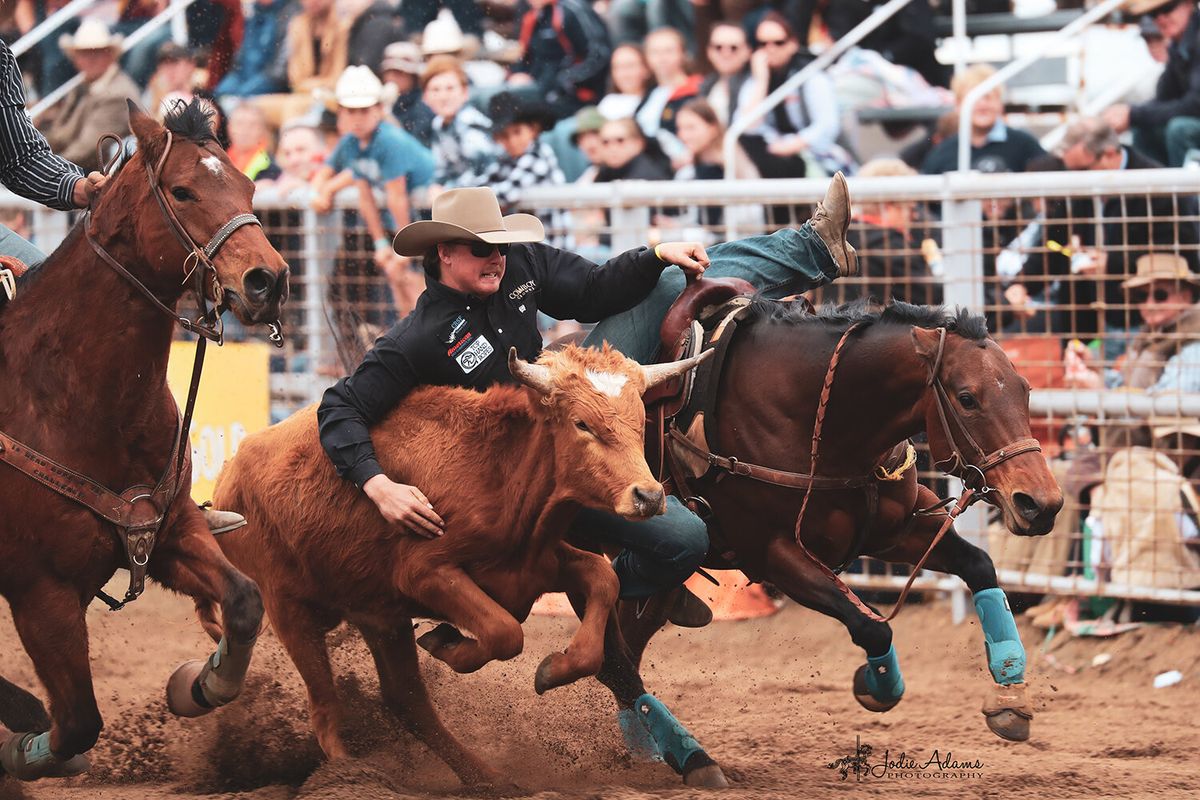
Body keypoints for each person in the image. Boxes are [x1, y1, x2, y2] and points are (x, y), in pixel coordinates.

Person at [319, 178, 857, 624]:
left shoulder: (521, 266)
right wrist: (378, 484)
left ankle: (812, 247)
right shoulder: (417, 339)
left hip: (578, 417)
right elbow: (341, 408)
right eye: (485, 249)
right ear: (445, 254)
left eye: (502, 246)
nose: (499, 258)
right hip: (529, 485)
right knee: (685, 540)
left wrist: (651, 255)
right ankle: (618, 586)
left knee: (671, 277)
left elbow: (597, 289)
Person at [1055, 116, 1200, 341]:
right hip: (1092, 319)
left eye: (1082, 170)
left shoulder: (1159, 187)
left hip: (1148, 324)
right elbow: (1053, 237)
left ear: (1110, 154)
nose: (1075, 179)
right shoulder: (1080, 187)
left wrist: (1111, 261)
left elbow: (1180, 251)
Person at [313, 65, 434, 325]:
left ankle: (424, 332)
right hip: (404, 218)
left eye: (364, 110)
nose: (357, 118)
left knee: (410, 273)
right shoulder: (351, 143)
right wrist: (381, 243)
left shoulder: (390, 141)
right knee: (396, 272)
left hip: (426, 214)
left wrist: (404, 246)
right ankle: (414, 333)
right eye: (351, 111)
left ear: (379, 109)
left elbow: (397, 195)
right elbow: (363, 191)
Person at [1103, 0, 1200, 167]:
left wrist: (1132, 114)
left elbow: (1195, 104)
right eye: (1153, 14)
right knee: (1144, 128)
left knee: (1179, 129)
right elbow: (1165, 97)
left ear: (1188, 4)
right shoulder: (1179, 46)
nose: (1160, 19)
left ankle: (1187, 192)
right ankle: (1159, 191)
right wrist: (1128, 115)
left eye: (1167, 9)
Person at [836, 157, 942, 307]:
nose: (915, 215)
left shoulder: (834, 236)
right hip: (876, 328)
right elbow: (936, 295)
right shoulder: (888, 244)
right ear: (888, 205)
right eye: (910, 208)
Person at [41, 20, 140, 173]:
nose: (90, 59)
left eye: (97, 52)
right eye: (84, 53)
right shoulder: (84, 85)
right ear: (76, 58)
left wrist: (44, 169)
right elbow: (61, 136)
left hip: (92, 179)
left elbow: (88, 149)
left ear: (110, 55)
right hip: (79, 172)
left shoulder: (117, 94)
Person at [920, 64, 1045, 175]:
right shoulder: (942, 152)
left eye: (988, 97)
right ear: (958, 105)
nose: (982, 105)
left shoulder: (1024, 145)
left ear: (1000, 103)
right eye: (973, 99)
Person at [508, 0, 611, 119]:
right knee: (495, 99)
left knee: (497, 100)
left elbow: (600, 53)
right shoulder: (532, 14)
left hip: (570, 96)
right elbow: (525, 55)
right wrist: (517, 74)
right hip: (539, 87)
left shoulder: (571, 9)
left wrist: (566, 81)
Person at [424, 55, 495, 197]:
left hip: (491, 200)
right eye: (435, 90)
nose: (443, 96)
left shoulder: (470, 121)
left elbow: (484, 171)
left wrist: (447, 190)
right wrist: (436, 185)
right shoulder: (438, 124)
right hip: (465, 197)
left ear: (464, 93)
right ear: (426, 96)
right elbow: (442, 167)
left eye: (450, 88)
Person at [214, 0, 295, 99]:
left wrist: (241, 94)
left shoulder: (290, 14)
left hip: (270, 84)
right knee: (217, 98)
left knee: (233, 101)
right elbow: (242, 57)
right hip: (245, 78)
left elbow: (279, 70)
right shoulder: (254, 13)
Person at [698, 22, 756, 129]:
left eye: (733, 48)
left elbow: (749, 127)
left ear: (748, 52)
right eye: (718, 47)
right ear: (709, 51)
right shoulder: (705, 85)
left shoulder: (756, 83)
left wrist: (762, 79)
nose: (726, 53)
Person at [380, 41, 435, 147]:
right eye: (389, 72)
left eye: (399, 73)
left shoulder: (422, 107)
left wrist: (387, 116)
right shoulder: (384, 101)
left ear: (413, 77)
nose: (392, 78)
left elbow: (416, 151)